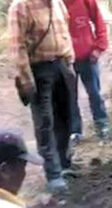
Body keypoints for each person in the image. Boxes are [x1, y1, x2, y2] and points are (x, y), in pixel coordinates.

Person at [8, 0, 76, 193]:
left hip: (61, 65)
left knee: (65, 117)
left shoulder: (57, 3)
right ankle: (53, 174)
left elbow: (65, 33)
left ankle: (64, 165)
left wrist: (69, 61)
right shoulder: (21, 6)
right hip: (40, 69)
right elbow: (17, 47)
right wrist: (27, 80)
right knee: (45, 122)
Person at [64, 0, 110, 143]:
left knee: (94, 93)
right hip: (66, 59)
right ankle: (75, 131)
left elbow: (99, 22)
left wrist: (99, 47)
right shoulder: (54, 4)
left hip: (88, 57)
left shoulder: (86, 1)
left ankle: (102, 126)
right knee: (69, 97)